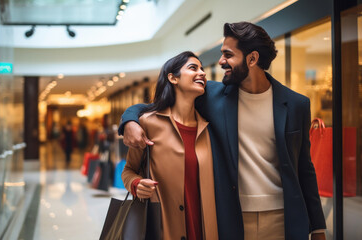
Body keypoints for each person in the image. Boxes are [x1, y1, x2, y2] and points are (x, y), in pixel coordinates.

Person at [119, 22, 326, 240]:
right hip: (230, 217)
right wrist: (129, 121)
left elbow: (305, 168)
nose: (221, 62)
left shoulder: (296, 104)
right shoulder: (212, 96)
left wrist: (318, 228)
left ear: (252, 59)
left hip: (283, 217)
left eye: (228, 55)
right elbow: (156, 106)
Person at [121, 51, 218, 240]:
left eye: (202, 69)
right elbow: (128, 170)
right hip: (164, 230)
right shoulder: (148, 123)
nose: (202, 73)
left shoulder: (208, 128)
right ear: (173, 78)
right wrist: (136, 184)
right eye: (193, 68)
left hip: (205, 229)